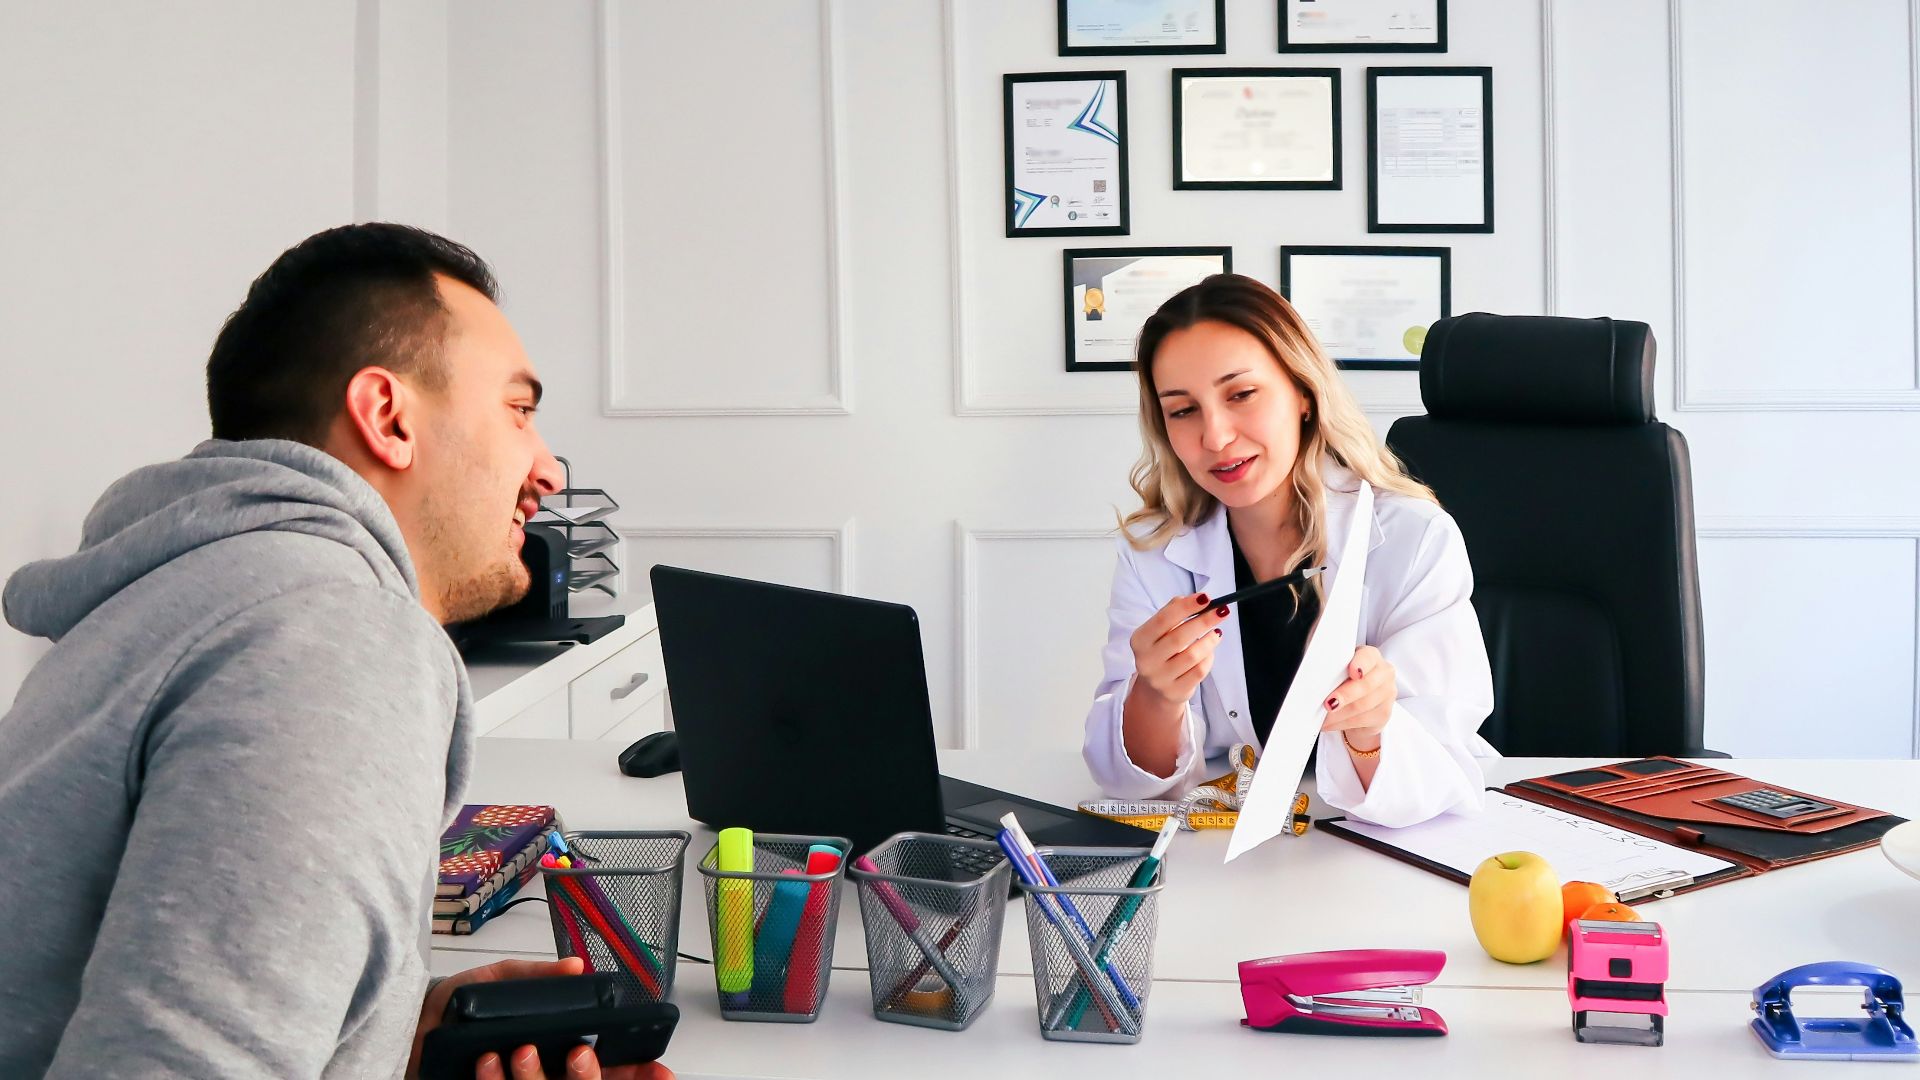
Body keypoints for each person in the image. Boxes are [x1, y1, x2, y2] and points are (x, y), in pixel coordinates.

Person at [0, 224, 669, 1079]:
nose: (546, 469)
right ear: (388, 418)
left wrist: (391, 1041)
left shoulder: (196, 592)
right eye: (519, 408)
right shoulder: (335, 636)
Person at [1083, 274, 1494, 828]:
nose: (1216, 437)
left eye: (1241, 394)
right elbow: (1128, 782)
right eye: (1183, 410)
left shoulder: (1414, 538)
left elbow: (1443, 767)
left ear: (1303, 393)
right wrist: (1155, 695)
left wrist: (1371, 730)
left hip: (1381, 847)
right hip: (1233, 850)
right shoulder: (1156, 551)